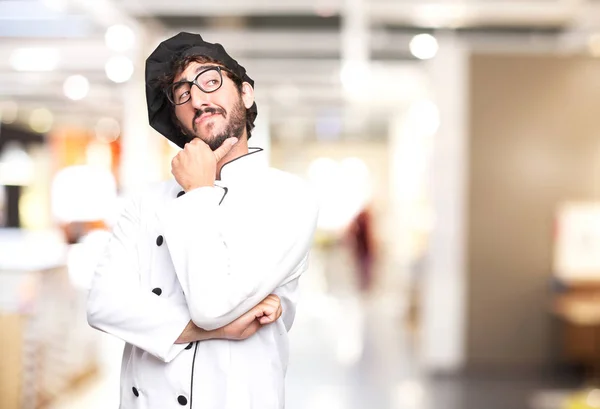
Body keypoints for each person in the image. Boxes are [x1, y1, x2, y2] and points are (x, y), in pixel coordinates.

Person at [86, 32, 319, 409]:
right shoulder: (146, 203)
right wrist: (213, 331)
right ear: (177, 121)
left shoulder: (288, 198)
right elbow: (102, 305)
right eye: (182, 93)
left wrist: (198, 190)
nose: (198, 98)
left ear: (245, 93)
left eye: (210, 80)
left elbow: (212, 304)